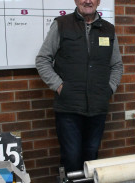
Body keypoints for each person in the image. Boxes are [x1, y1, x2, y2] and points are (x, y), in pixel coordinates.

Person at [35, 0, 123, 172]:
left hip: (98, 107)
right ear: (76, 0)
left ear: (98, 2)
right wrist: (60, 86)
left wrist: (109, 89)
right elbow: (42, 59)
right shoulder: (62, 24)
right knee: (72, 157)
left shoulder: (108, 29)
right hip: (69, 108)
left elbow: (117, 65)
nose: (87, 1)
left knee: (91, 158)